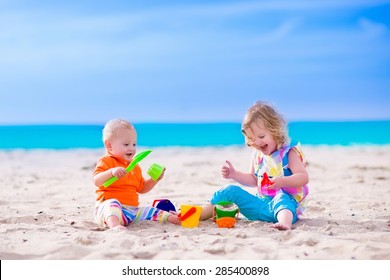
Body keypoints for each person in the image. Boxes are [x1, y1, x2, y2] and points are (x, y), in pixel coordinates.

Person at [200, 101, 309, 230]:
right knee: (229, 190)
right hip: (260, 205)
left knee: (281, 197)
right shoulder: (258, 155)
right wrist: (234, 174)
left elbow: (303, 177)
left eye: (261, 136)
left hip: (287, 207)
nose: (257, 142)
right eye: (252, 139)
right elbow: (254, 180)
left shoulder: (288, 153)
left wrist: (282, 181)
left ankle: (284, 224)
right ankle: (196, 215)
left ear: (275, 131)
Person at [92, 119, 180, 230]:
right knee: (112, 204)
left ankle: (171, 218)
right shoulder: (107, 161)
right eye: (126, 144)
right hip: (108, 211)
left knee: (151, 210)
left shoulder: (135, 166)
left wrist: (154, 180)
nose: (132, 148)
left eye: (134, 144)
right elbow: (97, 181)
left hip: (132, 212)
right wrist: (111, 172)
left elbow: (142, 188)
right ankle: (114, 226)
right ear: (109, 145)